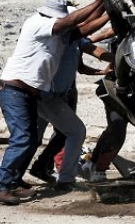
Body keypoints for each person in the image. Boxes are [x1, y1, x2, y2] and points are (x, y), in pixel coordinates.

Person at [0, 0, 107, 205]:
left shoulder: (60, 35)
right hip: (14, 90)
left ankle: (12, 182)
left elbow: (84, 29)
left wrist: (107, 8)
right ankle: (0, 186)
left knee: (30, 139)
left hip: (27, 93)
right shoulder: (37, 24)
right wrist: (98, 3)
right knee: (23, 139)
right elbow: (71, 22)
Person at [27, 32, 113, 185]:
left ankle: (36, 167)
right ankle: (58, 174)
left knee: (41, 135)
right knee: (70, 132)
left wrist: (102, 72)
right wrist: (119, 60)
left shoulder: (70, 41)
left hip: (53, 92)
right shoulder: (65, 38)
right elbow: (97, 50)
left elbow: (81, 67)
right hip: (52, 94)